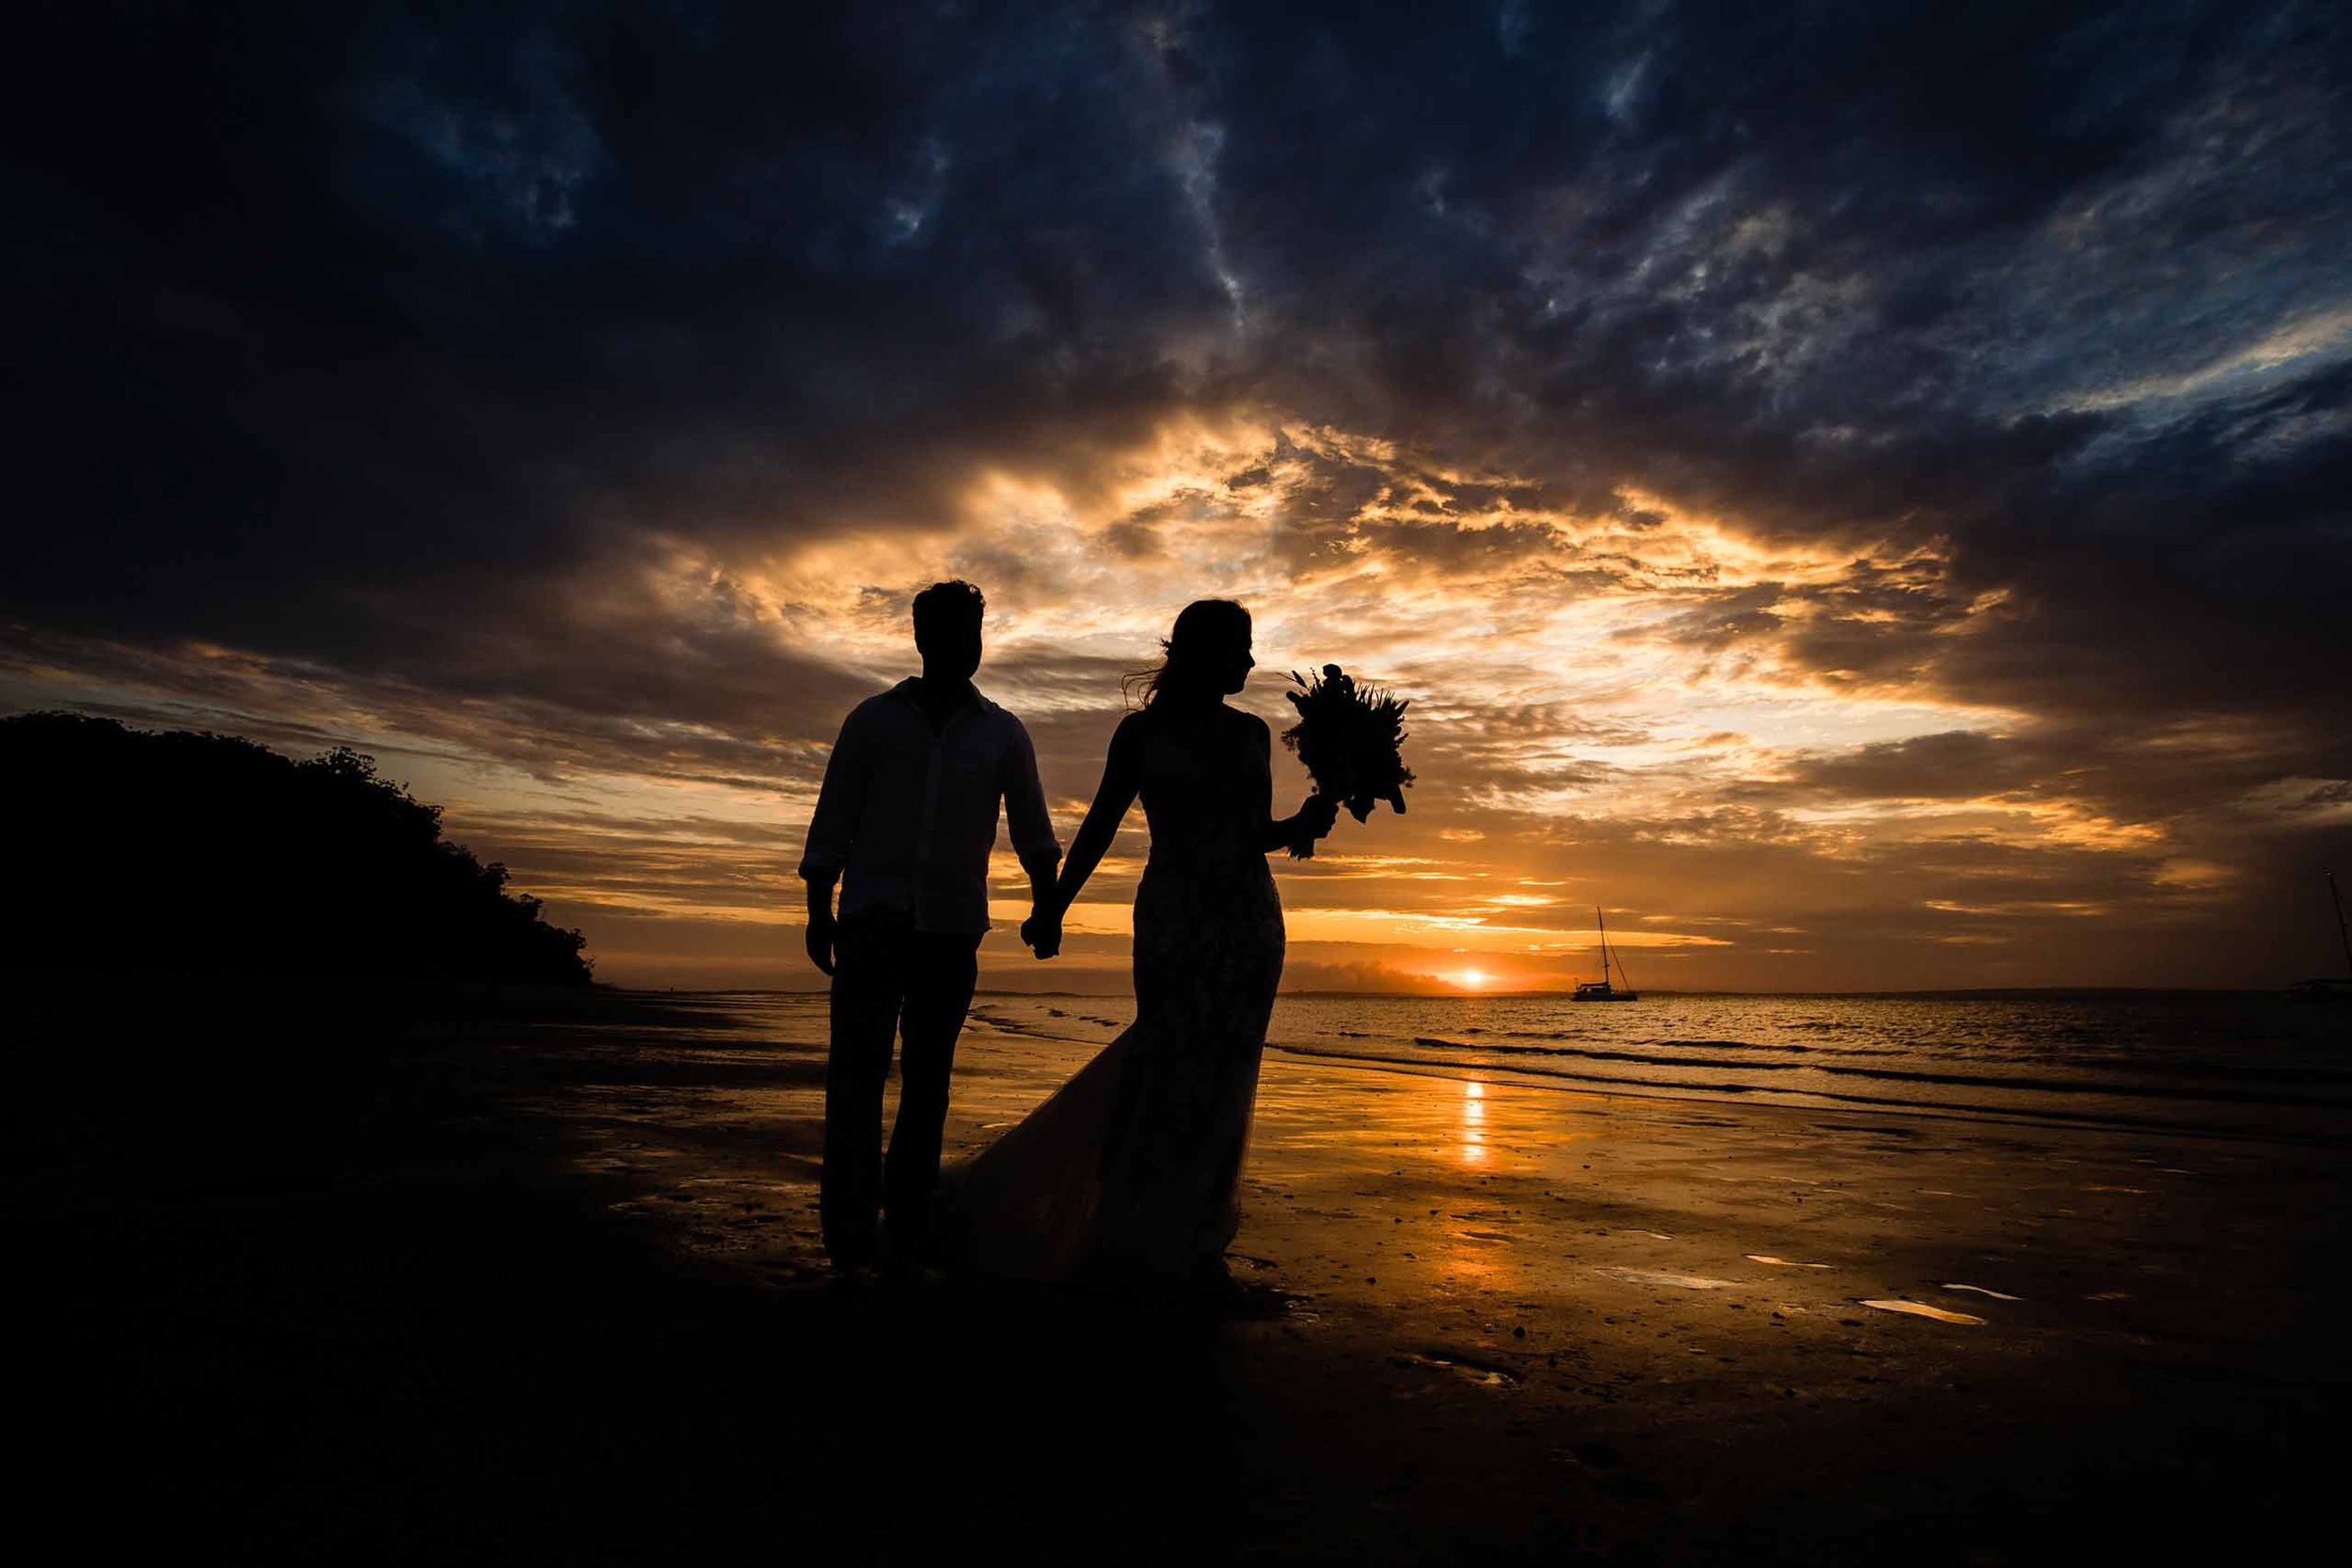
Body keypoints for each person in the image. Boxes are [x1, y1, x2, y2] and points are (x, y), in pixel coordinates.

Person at [934, 598, 1337, 1296]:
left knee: (1224, 1078)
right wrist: (1052, 905)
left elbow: (1252, 836)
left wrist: (1303, 821)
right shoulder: (1141, 735)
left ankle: (1196, 1246)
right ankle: (1134, 1232)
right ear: (1203, 653)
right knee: (1167, 1064)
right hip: (1176, 918)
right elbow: (1097, 828)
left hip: (1246, 921)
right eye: (1239, 647)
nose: (1249, 660)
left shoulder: (1252, 735)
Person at [798, 580, 1061, 1272]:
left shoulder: (1003, 731)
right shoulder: (872, 721)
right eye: (947, 635)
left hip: (951, 931)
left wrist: (1046, 903)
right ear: (920, 639)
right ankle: (849, 1227)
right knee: (856, 1077)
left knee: (928, 1079)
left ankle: (907, 1214)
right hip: (869, 922)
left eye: (971, 634)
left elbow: (1034, 829)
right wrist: (818, 907)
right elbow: (834, 820)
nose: (960, 648)